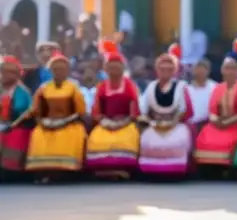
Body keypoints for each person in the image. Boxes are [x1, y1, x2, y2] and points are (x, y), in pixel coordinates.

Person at [25, 53, 88, 182]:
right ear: (51, 71)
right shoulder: (44, 88)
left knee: (68, 136)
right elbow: (37, 110)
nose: (59, 72)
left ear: (67, 71)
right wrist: (43, 121)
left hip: (69, 122)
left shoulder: (73, 88)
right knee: (38, 134)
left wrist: (64, 121)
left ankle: (65, 172)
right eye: (56, 69)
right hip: (47, 122)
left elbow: (80, 111)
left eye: (62, 69)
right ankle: (43, 171)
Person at [193, 53, 237, 171]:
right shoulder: (218, 88)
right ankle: (208, 168)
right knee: (206, 136)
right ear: (222, 70)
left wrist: (228, 122)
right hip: (218, 124)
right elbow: (212, 110)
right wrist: (216, 120)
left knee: (231, 140)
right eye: (226, 68)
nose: (229, 72)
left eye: (233, 68)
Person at [85, 52, 142, 178]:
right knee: (97, 138)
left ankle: (123, 169)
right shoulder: (102, 86)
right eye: (111, 67)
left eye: (117, 67)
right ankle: (103, 169)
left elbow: (135, 111)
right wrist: (105, 122)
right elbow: (97, 110)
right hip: (105, 122)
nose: (114, 70)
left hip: (126, 122)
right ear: (106, 69)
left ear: (122, 68)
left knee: (125, 139)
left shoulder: (130, 86)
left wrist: (122, 123)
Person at [138, 54, 194, 178]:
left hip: (175, 124)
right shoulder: (151, 87)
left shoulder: (181, 87)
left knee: (180, 138)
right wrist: (153, 122)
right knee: (147, 138)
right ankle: (151, 172)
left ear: (174, 71)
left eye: (169, 69)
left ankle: (176, 171)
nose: (165, 72)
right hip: (155, 124)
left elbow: (185, 111)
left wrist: (172, 123)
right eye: (162, 69)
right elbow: (143, 110)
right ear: (157, 70)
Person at [0, 55, 34, 177]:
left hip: (18, 125)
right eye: (3, 72)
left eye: (10, 72)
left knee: (14, 135)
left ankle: (9, 171)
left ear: (17, 74)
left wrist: (14, 123)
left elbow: (31, 110)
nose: (5, 75)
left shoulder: (23, 92)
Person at [185, 59, 214, 136]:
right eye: (198, 68)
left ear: (208, 71)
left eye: (203, 68)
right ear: (193, 71)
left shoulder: (215, 87)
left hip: (209, 123)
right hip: (190, 125)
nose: (200, 71)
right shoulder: (186, 89)